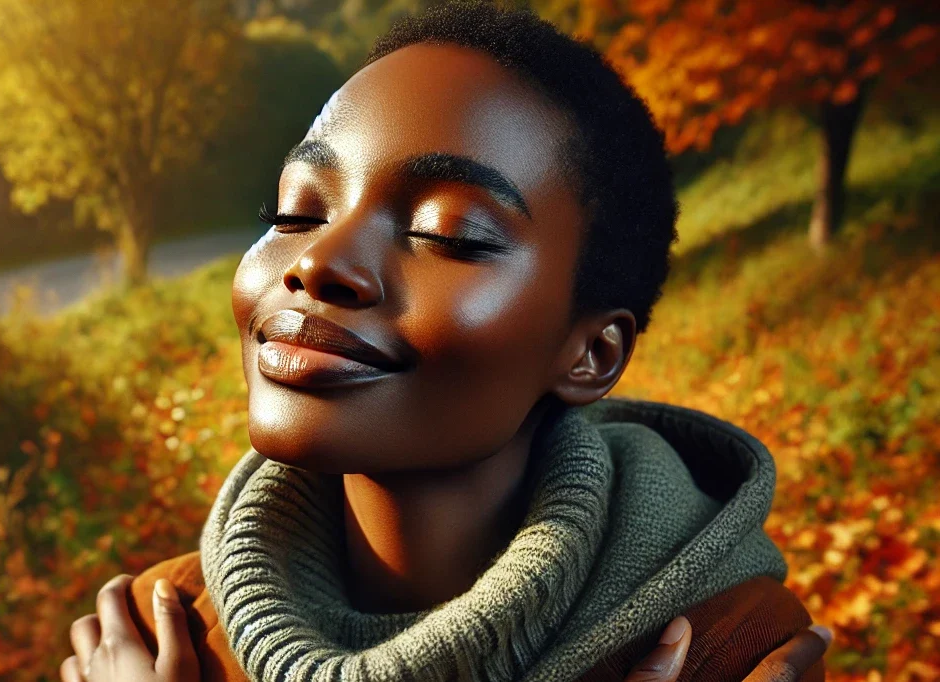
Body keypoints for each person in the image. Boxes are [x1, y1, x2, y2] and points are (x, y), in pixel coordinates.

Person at [60, 2, 833, 680]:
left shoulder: (732, 649)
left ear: (591, 353)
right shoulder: (154, 636)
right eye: (296, 211)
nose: (317, 263)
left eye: (445, 232)